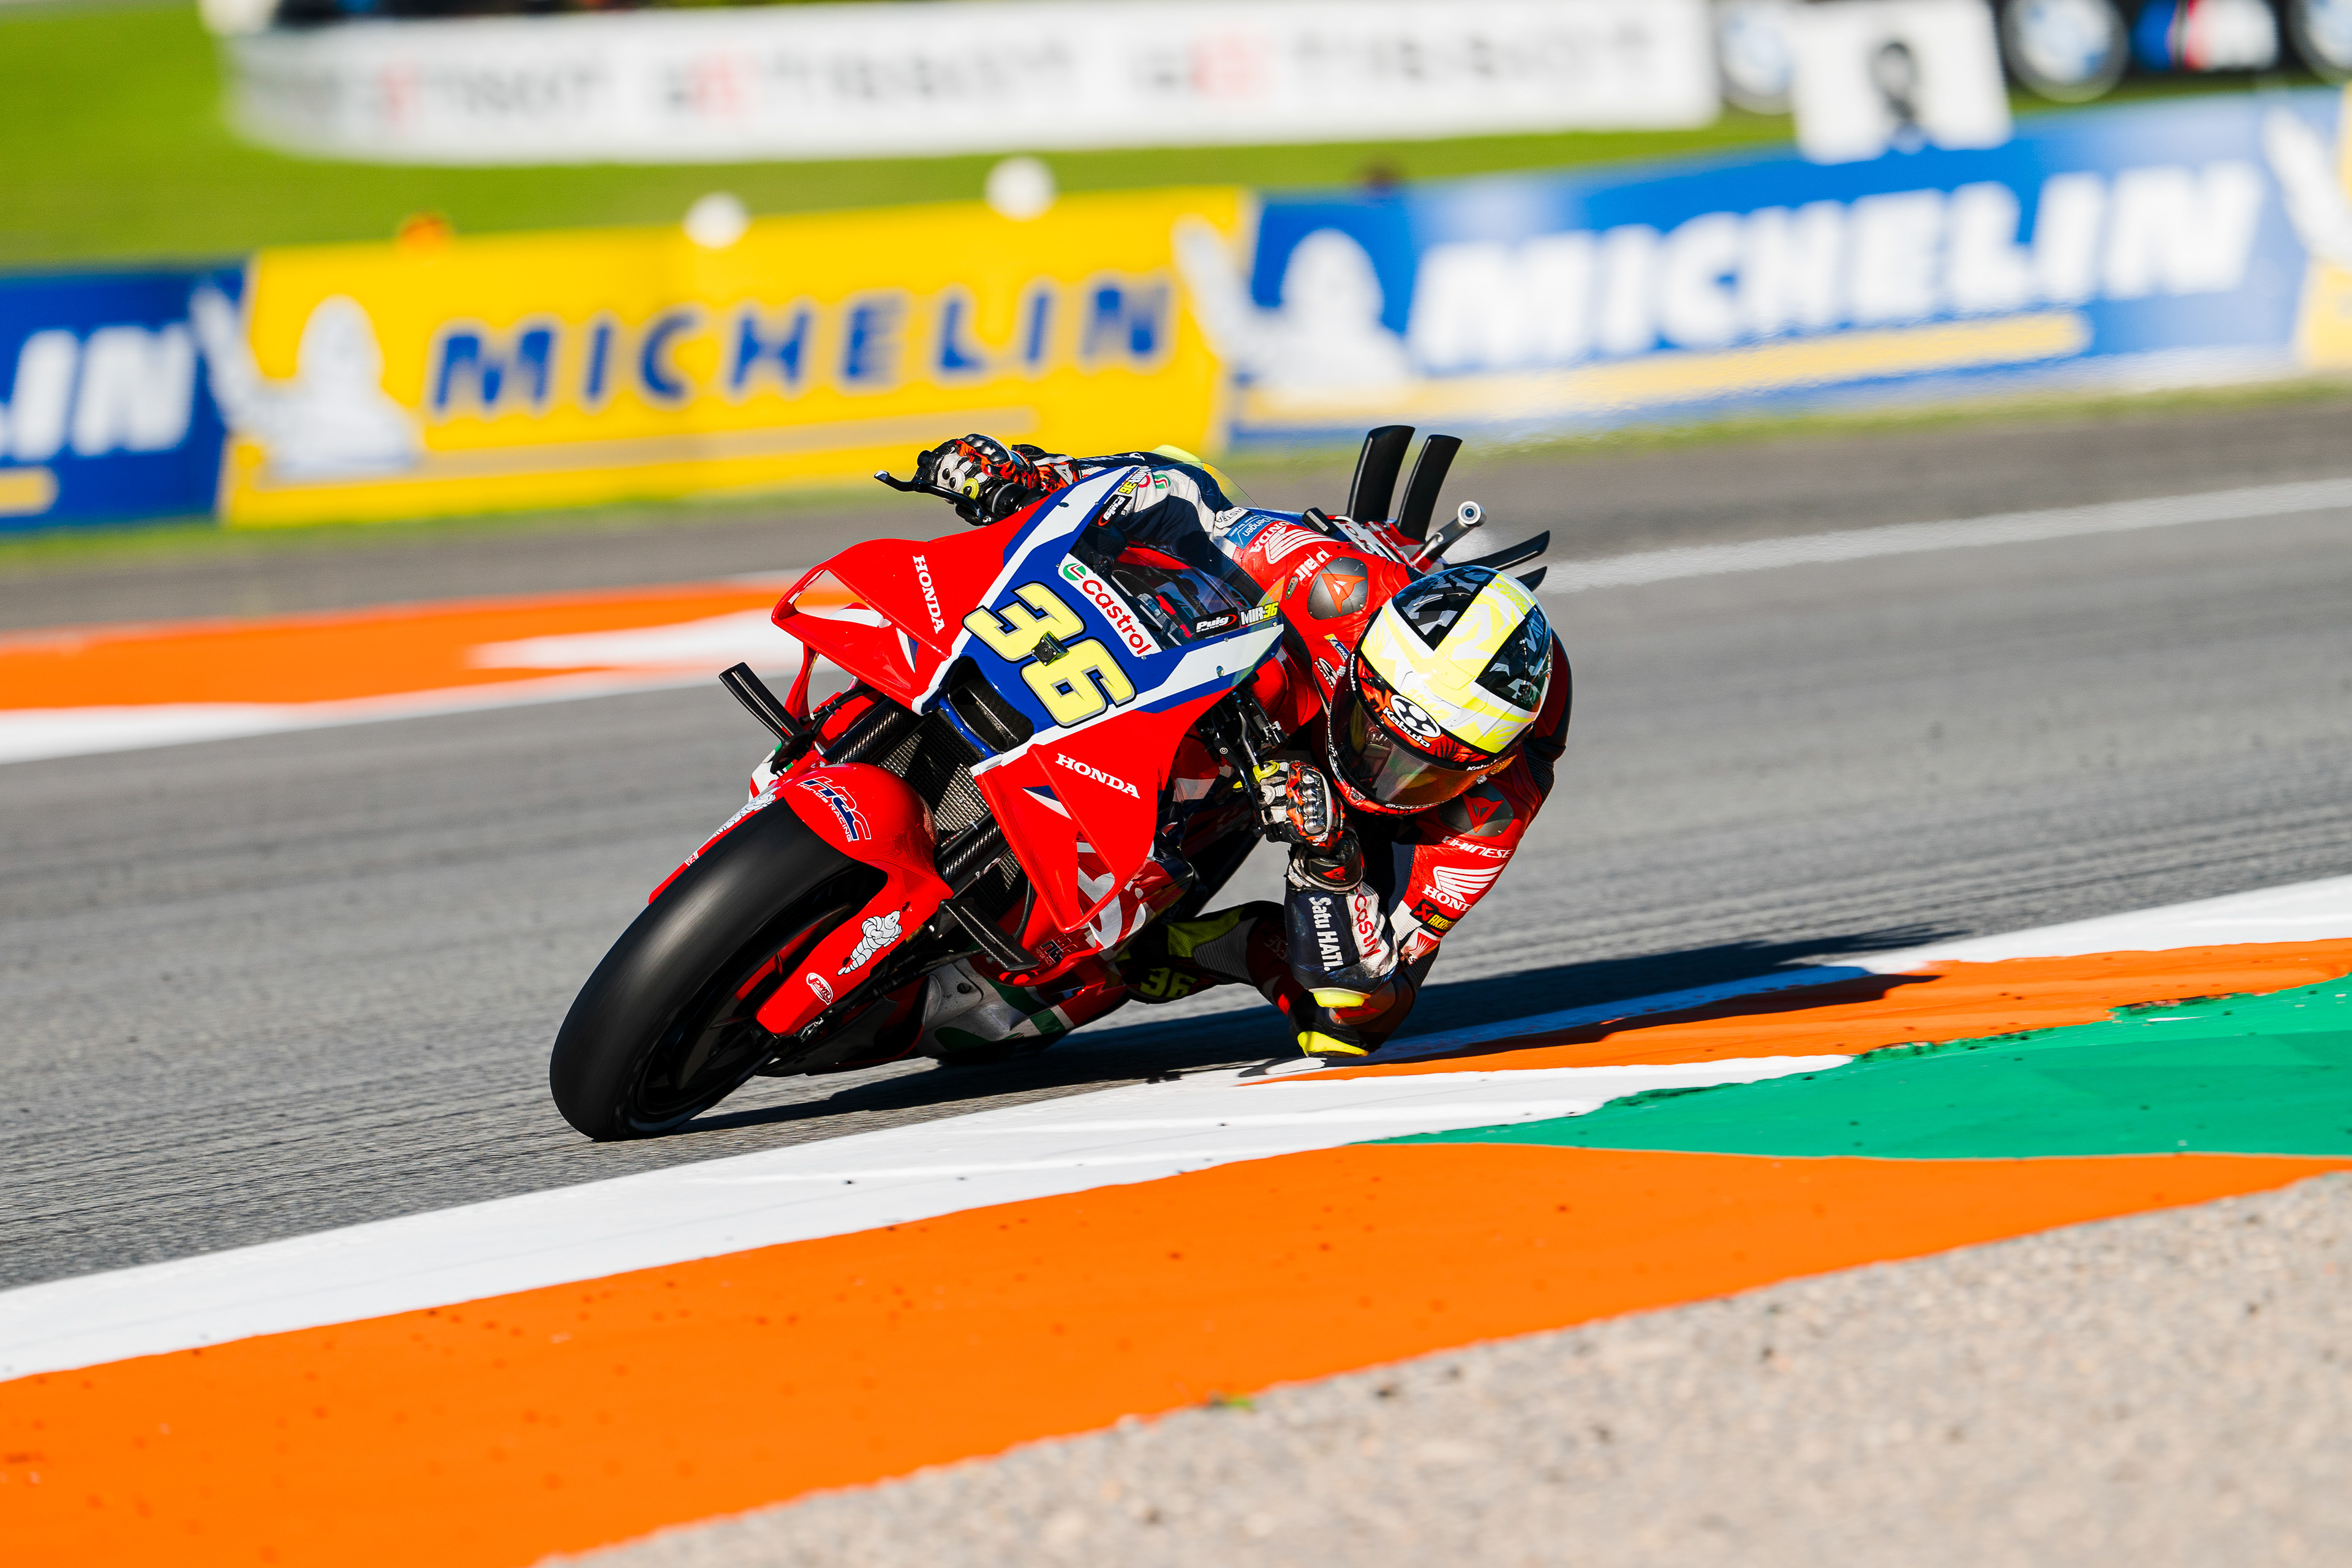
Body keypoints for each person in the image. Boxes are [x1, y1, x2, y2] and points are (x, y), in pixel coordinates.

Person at [903, 433, 1569, 1061]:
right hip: (1285, 676)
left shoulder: (1493, 811)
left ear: (1490, 767)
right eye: (1375, 738)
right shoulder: (1336, 585)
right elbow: (1188, 497)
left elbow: (1370, 996)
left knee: (1341, 1025)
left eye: (1421, 772)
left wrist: (1331, 859)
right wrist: (1035, 476)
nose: (1379, 773)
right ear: (1364, 665)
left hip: (1344, 825)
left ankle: (1225, 941)